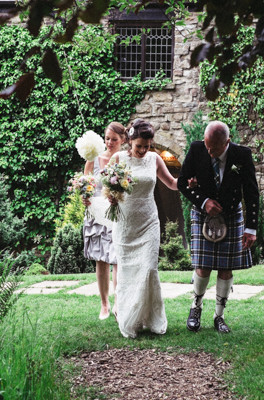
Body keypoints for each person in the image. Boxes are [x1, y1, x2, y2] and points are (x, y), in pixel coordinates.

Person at [177, 120, 260, 333]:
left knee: (225, 268)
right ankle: (195, 308)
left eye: (213, 148)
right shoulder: (197, 149)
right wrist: (203, 201)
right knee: (202, 266)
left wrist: (251, 228)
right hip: (203, 213)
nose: (209, 151)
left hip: (231, 215)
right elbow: (182, 182)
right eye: (207, 145)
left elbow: (251, 192)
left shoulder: (242, 155)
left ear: (227, 142)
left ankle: (219, 316)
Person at [108, 119, 179, 338]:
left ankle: (152, 318)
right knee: (128, 271)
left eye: (147, 146)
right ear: (129, 141)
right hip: (125, 225)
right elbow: (108, 188)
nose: (143, 150)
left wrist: (190, 182)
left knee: (149, 269)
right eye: (139, 146)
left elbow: (172, 183)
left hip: (149, 222)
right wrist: (111, 195)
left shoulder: (155, 159)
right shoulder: (118, 159)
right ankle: (130, 316)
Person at [82, 122, 127, 320]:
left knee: (117, 258)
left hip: (116, 213)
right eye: (107, 138)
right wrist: (85, 194)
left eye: (114, 139)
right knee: (101, 260)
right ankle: (104, 304)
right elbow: (86, 180)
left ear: (123, 140)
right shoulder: (95, 157)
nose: (109, 143)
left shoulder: (124, 159)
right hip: (97, 214)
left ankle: (118, 302)